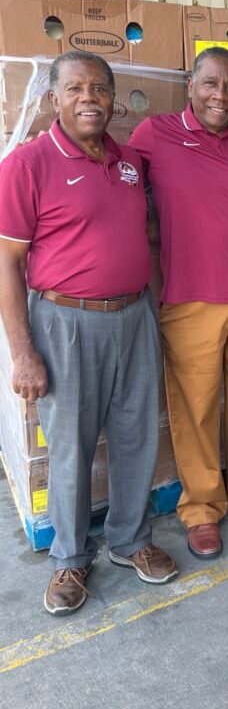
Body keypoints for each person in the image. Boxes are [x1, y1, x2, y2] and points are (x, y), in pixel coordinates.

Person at [0, 51, 178, 616]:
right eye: (75, 88)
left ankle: (130, 540)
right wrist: (23, 353)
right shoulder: (28, 164)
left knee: (136, 436)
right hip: (65, 322)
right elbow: (6, 263)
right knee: (71, 446)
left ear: (113, 99)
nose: (88, 99)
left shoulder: (128, 162)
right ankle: (70, 558)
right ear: (55, 98)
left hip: (134, 314)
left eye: (99, 88)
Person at [129, 47, 228, 560]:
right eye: (211, 83)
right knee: (194, 410)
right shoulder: (154, 135)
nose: (222, 95)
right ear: (191, 87)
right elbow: (119, 186)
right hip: (188, 297)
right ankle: (201, 510)